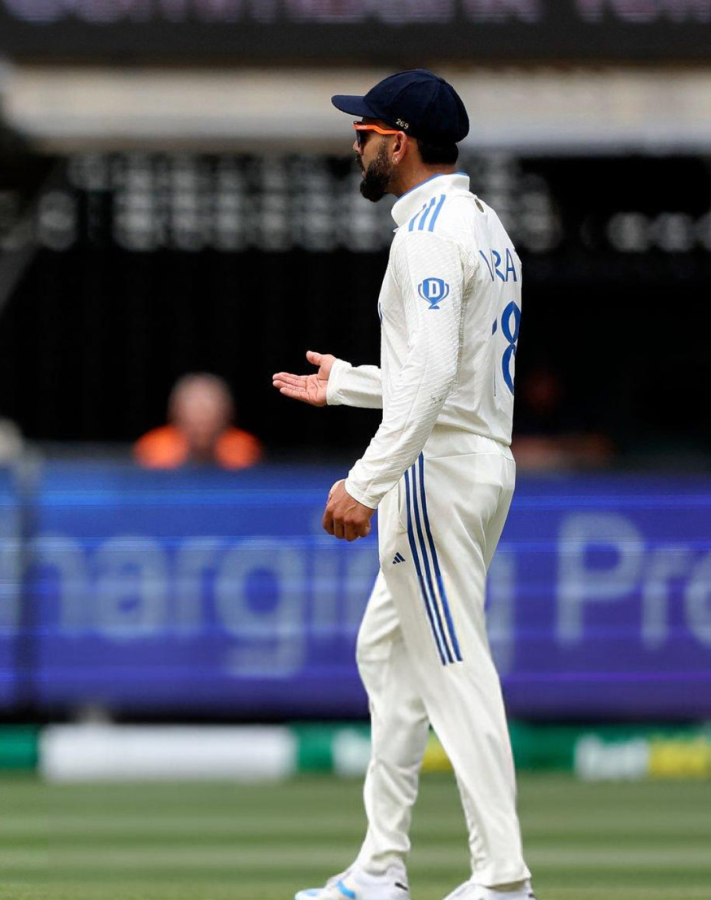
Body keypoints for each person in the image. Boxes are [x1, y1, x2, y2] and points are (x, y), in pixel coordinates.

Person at [271, 71, 532, 900]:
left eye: (365, 132)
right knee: (386, 655)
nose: (355, 144)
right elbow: (445, 372)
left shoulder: (424, 233)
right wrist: (349, 384)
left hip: (439, 469)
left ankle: (501, 877)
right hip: (481, 455)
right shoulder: (485, 225)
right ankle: (380, 866)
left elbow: (428, 387)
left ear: (400, 141)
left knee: (455, 667)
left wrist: (367, 480)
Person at [132, 372, 261, 470]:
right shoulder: (153, 449)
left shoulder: (245, 450)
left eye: (208, 409)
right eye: (194, 409)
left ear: (227, 413)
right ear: (175, 412)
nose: (202, 418)